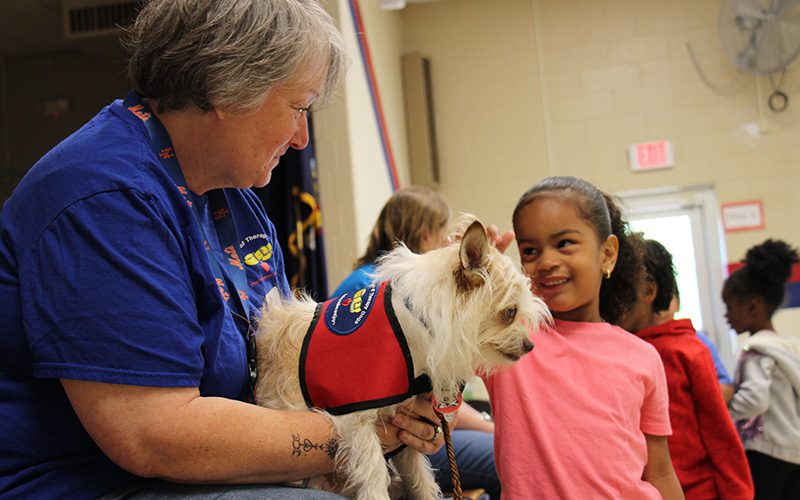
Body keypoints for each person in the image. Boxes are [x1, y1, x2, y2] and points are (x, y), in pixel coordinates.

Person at [0, 1, 445, 498]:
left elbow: (280, 368)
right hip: (87, 484)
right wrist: (360, 430)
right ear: (228, 88)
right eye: (299, 108)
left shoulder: (234, 201)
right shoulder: (102, 198)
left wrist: (381, 397)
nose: (302, 138)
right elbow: (157, 437)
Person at [484, 175, 683, 499]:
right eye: (531, 250)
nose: (547, 261)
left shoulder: (642, 356)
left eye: (564, 243)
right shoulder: (507, 338)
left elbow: (659, 470)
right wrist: (466, 277)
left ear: (607, 254)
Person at [332, 186, 501, 499]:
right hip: (386, 435)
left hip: (402, 430)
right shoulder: (391, 289)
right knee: (502, 454)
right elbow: (419, 390)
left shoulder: (366, 277)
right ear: (425, 236)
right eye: (442, 235)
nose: (447, 246)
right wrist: (488, 427)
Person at [619, 237, 753, 499]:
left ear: (648, 292)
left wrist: (739, 494)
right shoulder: (619, 352)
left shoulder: (687, 350)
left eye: (619, 291)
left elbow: (720, 435)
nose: (610, 302)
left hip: (700, 492)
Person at [723, 238, 800, 499]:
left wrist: (725, 414)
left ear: (753, 307)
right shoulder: (790, 346)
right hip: (795, 452)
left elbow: (755, 399)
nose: (726, 316)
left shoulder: (755, 349)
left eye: (729, 307)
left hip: (766, 452)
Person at [655, 293, 736, 402]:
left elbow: (726, 386)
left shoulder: (698, 341)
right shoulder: (639, 343)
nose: (658, 305)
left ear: (678, 303)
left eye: (665, 297)